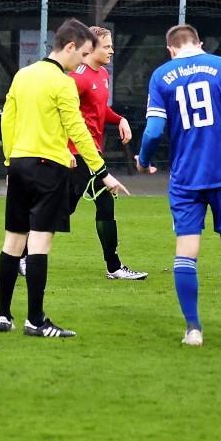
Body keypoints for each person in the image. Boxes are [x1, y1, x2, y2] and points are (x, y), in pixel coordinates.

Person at [0, 20, 127, 338]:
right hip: (49, 169)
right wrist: (102, 172)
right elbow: (78, 131)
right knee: (39, 243)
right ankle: (36, 320)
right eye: (81, 54)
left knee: (13, 242)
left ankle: (3, 314)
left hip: (20, 165)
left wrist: (9, 162)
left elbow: (8, 122)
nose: (82, 62)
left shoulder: (23, 75)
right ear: (69, 47)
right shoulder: (63, 83)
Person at [136, 23, 221, 347]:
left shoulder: (161, 75)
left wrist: (143, 158)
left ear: (171, 49)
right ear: (200, 44)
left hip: (185, 176)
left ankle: (193, 330)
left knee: (186, 250)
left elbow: (153, 131)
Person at [67, 25, 147, 280]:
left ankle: (113, 266)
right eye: (107, 46)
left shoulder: (101, 74)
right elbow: (61, 113)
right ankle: (24, 255)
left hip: (92, 153)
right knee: (62, 208)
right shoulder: (77, 77)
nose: (112, 50)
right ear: (90, 47)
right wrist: (64, 149)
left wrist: (120, 119)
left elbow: (99, 111)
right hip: (78, 153)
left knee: (102, 206)